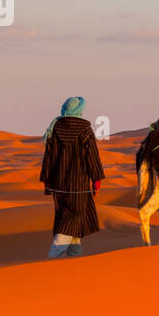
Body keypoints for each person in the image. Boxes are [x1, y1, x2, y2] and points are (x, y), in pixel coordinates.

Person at [39, 96, 105, 258]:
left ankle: (75, 259)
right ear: (79, 110)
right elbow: (92, 157)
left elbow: (49, 157)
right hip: (79, 185)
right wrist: (96, 182)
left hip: (58, 185)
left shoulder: (54, 127)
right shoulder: (85, 129)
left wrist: (47, 181)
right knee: (71, 221)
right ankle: (52, 257)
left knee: (71, 222)